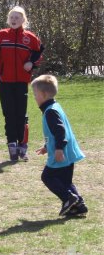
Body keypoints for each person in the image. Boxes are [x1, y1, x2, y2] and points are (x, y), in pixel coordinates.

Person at [0, 6, 44, 161]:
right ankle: (11, 145)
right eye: (12, 17)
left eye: (17, 17)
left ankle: (22, 146)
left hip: (22, 82)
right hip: (4, 81)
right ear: (8, 19)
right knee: (9, 114)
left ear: (24, 20)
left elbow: (39, 53)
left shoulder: (30, 38)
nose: (14, 20)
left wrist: (31, 62)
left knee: (21, 114)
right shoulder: (0, 35)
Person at [31, 75, 87, 216]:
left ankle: (69, 198)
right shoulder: (54, 106)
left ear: (44, 94)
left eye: (35, 94)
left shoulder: (50, 111)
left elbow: (60, 131)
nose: (34, 97)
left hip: (62, 152)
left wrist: (58, 149)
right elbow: (54, 132)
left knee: (47, 177)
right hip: (67, 151)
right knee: (65, 181)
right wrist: (46, 146)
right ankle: (79, 206)